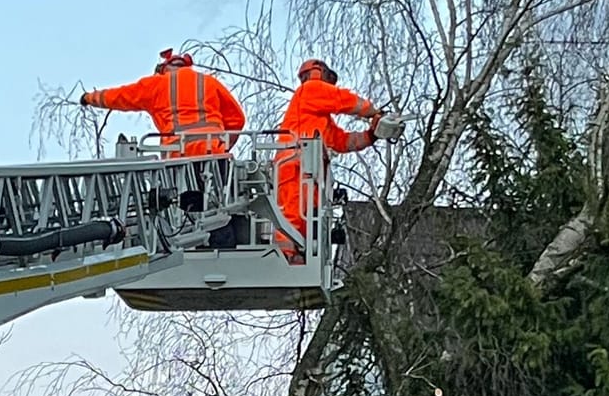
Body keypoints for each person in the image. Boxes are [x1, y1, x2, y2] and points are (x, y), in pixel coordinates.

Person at [274, 58, 401, 260]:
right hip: (295, 164)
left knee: (306, 216)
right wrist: (374, 112)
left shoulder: (319, 120)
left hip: (308, 169)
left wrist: (371, 135)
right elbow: (343, 100)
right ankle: (284, 257)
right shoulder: (310, 89)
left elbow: (343, 142)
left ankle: (295, 255)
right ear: (319, 73)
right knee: (293, 213)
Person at [79, 49, 246, 158]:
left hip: (177, 151)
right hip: (213, 149)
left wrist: (89, 98)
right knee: (216, 197)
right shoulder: (209, 82)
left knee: (179, 203)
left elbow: (120, 96)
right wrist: (224, 144)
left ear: (164, 68)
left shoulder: (156, 84)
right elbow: (236, 119)